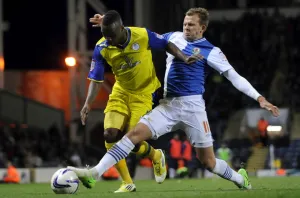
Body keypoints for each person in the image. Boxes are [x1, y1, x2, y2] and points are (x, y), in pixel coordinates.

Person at [69, 7, 279, 190]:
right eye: (185, 24)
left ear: (202, 28)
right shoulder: (173, 37)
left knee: (209, 162)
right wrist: (108, 21)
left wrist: (259, 98)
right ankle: (95, 173)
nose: (186, 28)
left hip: (193, 108)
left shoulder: (212, 51)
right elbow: (136, 34)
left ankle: (239, 178)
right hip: (168, 105)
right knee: (132, 135)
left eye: (191, 25)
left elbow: (235, 77)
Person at [76, 10, 201, 193]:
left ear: (121, 28)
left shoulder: (141, 35)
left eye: (111, 35)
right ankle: (127, 182)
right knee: (110, 135)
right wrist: (87, 103)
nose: (108, 40)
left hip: (143, 94)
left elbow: (166, 44)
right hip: (120, 92)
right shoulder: (102, 47)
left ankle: (156, 155)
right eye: (105, 36)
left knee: (131, 141)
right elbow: (96, 79)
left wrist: (183, 57)